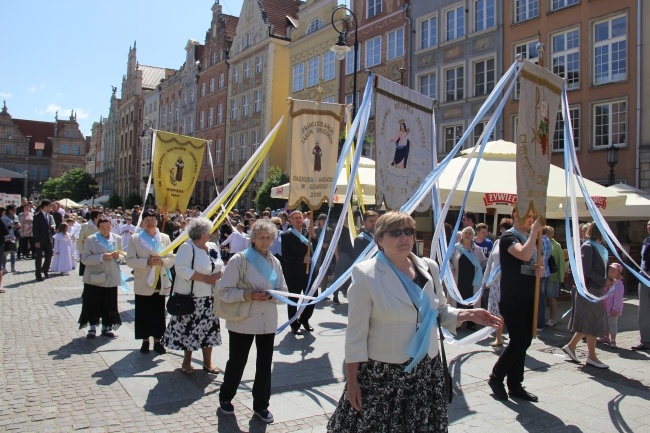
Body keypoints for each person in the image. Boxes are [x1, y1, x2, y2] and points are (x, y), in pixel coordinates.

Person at [327, 211, 501, 432]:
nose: (404, 237)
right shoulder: (366, 274)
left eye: (409, 231)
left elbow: (437, 312)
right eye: (396, 232)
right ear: (380, 239)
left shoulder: (429, 267)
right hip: (385, 374)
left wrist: (467, 314)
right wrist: (352, 382)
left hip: (426, 369)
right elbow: (355, 335)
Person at [217, 219, 289, 424]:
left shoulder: (275, 262)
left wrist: (272, 296)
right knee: (237, 361)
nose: (266, 241)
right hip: (243, 320)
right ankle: (226, 396)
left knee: (265, 365)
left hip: (267, 321)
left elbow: (283, 290)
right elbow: (224, 292)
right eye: (262, 237)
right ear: (253, 239)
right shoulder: (239, 260)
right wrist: (249, 295)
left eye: (269, 238)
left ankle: (261, 405)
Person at [488, 207, 545, 402]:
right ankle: (496, 377)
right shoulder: (508, 238)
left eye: (532, 216)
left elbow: (528, 265)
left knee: (525, 341)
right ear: (515, 215)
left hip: (528, 296)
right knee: (518, 341)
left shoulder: (529, 238)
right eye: (527, 216)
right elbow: (523, 255)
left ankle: (515, 384)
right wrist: (535, 232)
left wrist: (539, 272)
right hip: (512, 298)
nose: (531, 219)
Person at [161, 217, 223, 374]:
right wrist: (204, 278)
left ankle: (208, 362)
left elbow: (219, 263)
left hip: (209, 298)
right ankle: (186, 361)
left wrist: (218, 274)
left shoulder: (212, 246)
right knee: (189, 330)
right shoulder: (187, 247)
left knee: (209, 330)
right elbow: (181, 269)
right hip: (191, 297)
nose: (211, 234)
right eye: (209, 231)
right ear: (201, 233)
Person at [562, 223, 612, 369]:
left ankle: (573, 347)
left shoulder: (599, 247)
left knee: (591, 321)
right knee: (591, 321)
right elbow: (586, 270)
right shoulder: (588, 247)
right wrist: (603, 281)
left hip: (596, 288)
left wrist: (607, 279)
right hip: (589, 289)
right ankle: (591, 356)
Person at [126, 209, 175, 355]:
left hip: (160, 280)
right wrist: (146, 261)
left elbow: (171, 258)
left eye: (152, 219)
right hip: (143, 281)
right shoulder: (135, 238)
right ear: (143, 221)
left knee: (159, 313)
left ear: (157, 221)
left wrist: (162, 261)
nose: (149, 222)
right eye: (146, 219)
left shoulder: (165, 238)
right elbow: (129, 260)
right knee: (143, 312)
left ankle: (158, 341)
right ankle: (145, 340)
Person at [78, 217, 123, 338]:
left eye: (108, 227)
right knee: (93, 302)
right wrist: (101, 257)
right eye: (102, 227)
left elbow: (122, 257)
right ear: (98, 228)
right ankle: (92, 326)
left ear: (111, 227)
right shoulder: (91, 240)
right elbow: (85, 259)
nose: (105, 230)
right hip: (95, 277)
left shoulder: (117, 238)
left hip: (111, 276)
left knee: (109, 302)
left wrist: (118, 257)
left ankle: (106, 326)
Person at [280, 210, 315, 335]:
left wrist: (314, 236)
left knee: (311, 297)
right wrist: (301, 260)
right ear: (291, 220)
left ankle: (304, 319)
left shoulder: (308, 233)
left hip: (308, 271)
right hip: (294, 272)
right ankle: (294, 324)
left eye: (300, 217)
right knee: (294, 298)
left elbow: (314, 248)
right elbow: (286, 255)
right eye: (295, 218)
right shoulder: (286, 235)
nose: (299, 219)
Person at [483, 217, 513, 347]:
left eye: (506, 229)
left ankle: (511, 337)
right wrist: (485, 280)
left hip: (508, 281)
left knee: (506, 309)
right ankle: (499, 337)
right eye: (502, 229)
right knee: (495, 309)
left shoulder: (514, 243)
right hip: (495, 281)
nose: (503, 231)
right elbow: (490, 262)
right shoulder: (497, 243)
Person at [450, 226, 487, 330]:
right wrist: (451, 267)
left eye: (470, 233)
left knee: (471, 302)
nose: (467, 235)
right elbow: (447, 261)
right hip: (458, 278)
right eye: (466, 232)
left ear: (473, 236)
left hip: (473, 280)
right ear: (461, 235)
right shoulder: (455, 248)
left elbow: (484, 262)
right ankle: (457, 323)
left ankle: (471, 323)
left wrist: (483, 272)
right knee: (457, 301)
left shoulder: (477, 249)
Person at [633, 220, 650, 351]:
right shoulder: (646, 240)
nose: (649, 228)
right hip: (644, 277)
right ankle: (646, 341)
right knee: (644, 312)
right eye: (648, 226)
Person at [599, 263, 624, 348]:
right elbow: (604, 293)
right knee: (605, 323)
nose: (611, 271)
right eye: (610, 269)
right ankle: (605, 337)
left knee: (612, 324)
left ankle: (613, 340)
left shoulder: (619, 285)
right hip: (605, 306)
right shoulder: (607, 281)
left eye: (614, 270)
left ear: (618, 273)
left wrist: (616, 308)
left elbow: (618, 298)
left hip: (613, 309)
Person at [545, 226, 566, 327]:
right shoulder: (543, 242)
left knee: (551, 297)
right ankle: (544, 317)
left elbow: (561, 262)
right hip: (544, 276)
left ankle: (553, 318)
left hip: (553, 276)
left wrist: (561, 277)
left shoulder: (556, 245)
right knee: (544, 298)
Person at [32, 199, 56, 281]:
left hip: (48, 239)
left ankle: (45, 269)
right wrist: (36, 241)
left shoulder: (49, 216)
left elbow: (48, 227)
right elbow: (35, 229)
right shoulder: (37, 216)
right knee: (39, 258)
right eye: (50, 206)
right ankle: (38, 274)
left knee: (49, 255)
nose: (51, 207)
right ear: (45, 206)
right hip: (40, 240)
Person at [332, 217, 353, 305]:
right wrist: (337, 255)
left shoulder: (353, 228)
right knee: (338, 275)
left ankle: (350, 295)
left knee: (350, 277)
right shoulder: (339, 228)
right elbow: (335, 242)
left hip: (352, 255)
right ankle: (335, 295)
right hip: (342, 254)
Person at [77, 210, 103, 277]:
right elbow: (80, 240)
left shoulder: (101, 226)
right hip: (87, 252)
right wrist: (81, 252)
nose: (102, 217)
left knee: (97, 272)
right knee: (86, 272)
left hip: (98, 252)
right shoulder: (85, 226)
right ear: (95, 217)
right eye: (100, 216)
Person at [536, 229, 553, 331]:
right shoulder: (547, 240)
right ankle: (539, 322)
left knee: (538, 299)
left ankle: (538, 323)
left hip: (540, 273)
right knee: (541, 299)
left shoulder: (540, 241)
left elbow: (540, 258)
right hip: (545, 272)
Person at [2, 204, 20, 273]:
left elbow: (18, 224)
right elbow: (4, 228)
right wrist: (11, 226)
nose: (14, 211)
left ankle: (13, 267)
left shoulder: (15, 216)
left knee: (14, 252)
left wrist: (18, 226)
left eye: (15, 210)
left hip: (14, 236)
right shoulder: (4, 217)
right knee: (6, 252)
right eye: (13, 210)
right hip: (7, 237)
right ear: (9, 210)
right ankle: (3, 267)